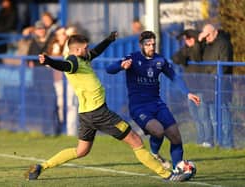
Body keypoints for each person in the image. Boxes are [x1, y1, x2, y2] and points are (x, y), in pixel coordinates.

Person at [24, 32, 192, 182]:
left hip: (86, 114)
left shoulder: (83, 57)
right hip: (99, 113)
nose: (88, 49)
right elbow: (64, 66)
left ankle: (41, 166)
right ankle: (168, 175)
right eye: (85, 48)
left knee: (81, 151)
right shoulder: (73, 61)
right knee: (136, 141)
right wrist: (49, 61)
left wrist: (109, 40)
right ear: (76, 50)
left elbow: (96, 52)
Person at [106, 31, 200, 170]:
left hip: (157, 104)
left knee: (176, 137)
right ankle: (155, 154)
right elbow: (109, 69)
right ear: (141, 45)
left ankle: (177, 169)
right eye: (148, 44)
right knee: (158, 131)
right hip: (139, 107)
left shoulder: (160, 60)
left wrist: (187, 93)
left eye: (153, 44)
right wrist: (121, 66)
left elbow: (174, 76)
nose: (151, 47)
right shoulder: (132, 58)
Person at [172, 29, 213, 147]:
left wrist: (194, 45)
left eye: (189, 39)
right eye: (186, 40)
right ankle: (200, 140)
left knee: (204, 115)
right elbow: (176, 58)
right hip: (190, 89)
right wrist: (186, 51)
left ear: (194, 39)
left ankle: (208, 140)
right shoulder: (186, 49)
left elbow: (197, 57)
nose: (187, 41)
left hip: (201, 88)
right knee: (196, 117)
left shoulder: (201, 48)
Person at [198, 23, 234, 148]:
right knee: (213, 117)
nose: (206, 38)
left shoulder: (223, 44)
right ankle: (217, 142)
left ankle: (227, 144)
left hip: (220, 85)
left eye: (208, 35)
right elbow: (196, 55)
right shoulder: (207, 45)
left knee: (224, 116)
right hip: (208, 85)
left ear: (215, 32)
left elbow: (224, 65)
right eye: (205, 36)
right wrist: (199, 40)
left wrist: (213, 77)